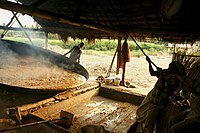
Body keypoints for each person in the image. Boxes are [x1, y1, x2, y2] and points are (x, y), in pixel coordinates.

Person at [135, 56, 186, 133]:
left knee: (150, 123)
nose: (168, 69)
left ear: (174, 70)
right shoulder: (165, 73)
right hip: (152, 97)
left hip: (158, 103)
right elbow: (152, 73)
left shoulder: (175, 81)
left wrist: (161, 74)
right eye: (169, 67)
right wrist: (149, 63)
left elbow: (162, 87)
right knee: (142, 113)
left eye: (170, 68)